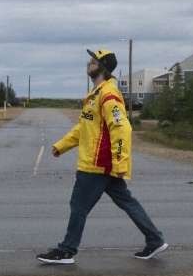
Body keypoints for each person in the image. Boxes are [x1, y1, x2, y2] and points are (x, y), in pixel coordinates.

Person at [36, 49, 168, 264]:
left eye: (94, 61)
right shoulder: (95, 95)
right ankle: (154, 240)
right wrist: (61, 146)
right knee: (127, 202)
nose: (89, 63)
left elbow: (121, 128)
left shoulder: (109, 95)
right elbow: (83, 128)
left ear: (103, 66)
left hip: (97, 164)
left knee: (78, 206)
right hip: (100, 163)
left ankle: (67, 250)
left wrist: (120, 161)